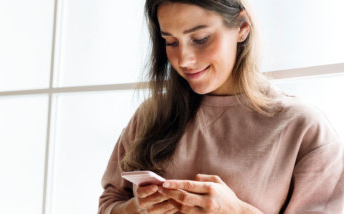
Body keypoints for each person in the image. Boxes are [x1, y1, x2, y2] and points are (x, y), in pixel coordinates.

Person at [99, 0, 344, 213]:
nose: (184, 59)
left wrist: (237, 211)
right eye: (171, 42)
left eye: (200, 38)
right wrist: (137, 209)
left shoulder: (304, 128)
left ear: (242, 27)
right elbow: (110, 203)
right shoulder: (151, 115)